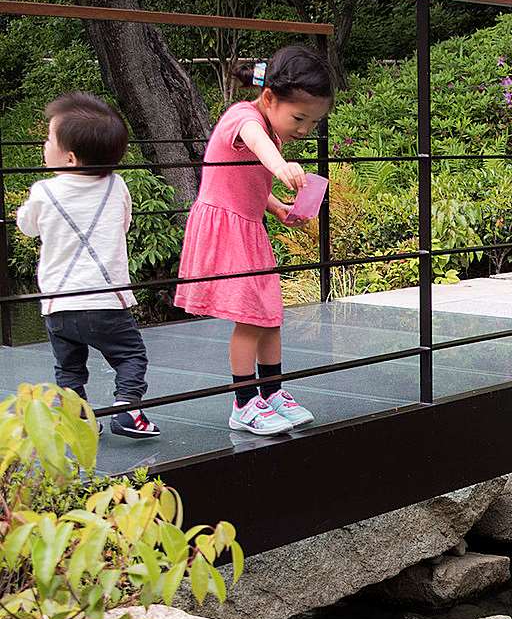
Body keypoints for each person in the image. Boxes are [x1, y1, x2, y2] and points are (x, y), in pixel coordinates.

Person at [174, 46, 333, 435]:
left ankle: (272, 392)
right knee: (250, 317)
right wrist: (282, 167)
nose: (304, 129)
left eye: (313, 122)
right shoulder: (243, 117)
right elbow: (259, 148)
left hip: (249, 227)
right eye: (299, 118)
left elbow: (245, 180)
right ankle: (244, 403)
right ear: (269, 98)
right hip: (227, 230)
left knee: (269, 314)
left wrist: (277, 207)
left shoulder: (271, 130)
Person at [17, 92, 160, 438]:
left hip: (59, 304)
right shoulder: (116, 185)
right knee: (130, 356)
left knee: (68, 369)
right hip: (106, 300)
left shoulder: (43, 191)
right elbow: (123, 224)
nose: (43, 144)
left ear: (69, 158)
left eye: (48, 139)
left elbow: (27, 226)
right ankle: (127, 409)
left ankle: (79, 420)